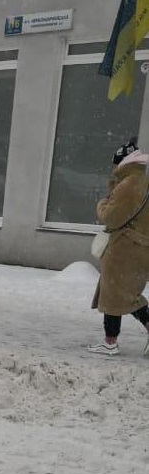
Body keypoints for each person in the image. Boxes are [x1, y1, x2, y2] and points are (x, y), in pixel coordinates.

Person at [87, 137, 149, 356]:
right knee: (123, 294)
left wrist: (102, 203)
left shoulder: (129, 184)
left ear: (123, 162)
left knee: (116, 294)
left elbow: (111, 217)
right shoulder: (141, 180)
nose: (113, 168)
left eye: (115, 163)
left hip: (124, 248)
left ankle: (110, 341)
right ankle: (110, 340)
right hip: (138, 247)